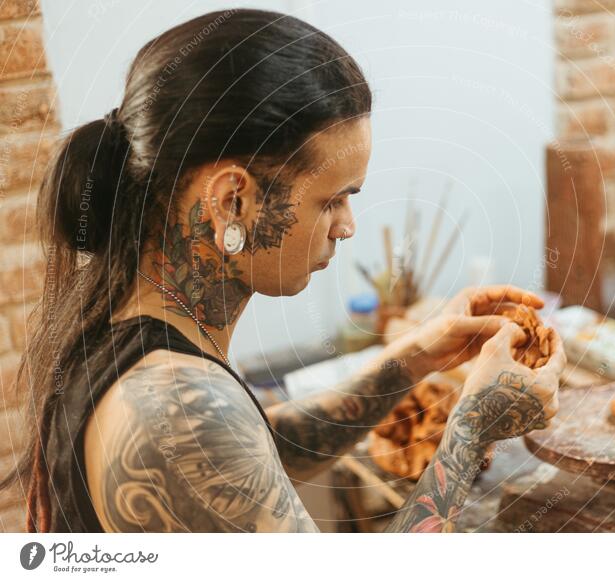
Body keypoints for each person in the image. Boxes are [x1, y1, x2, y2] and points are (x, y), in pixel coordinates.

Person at [4, 9, 564, 533]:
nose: (347, 226)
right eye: (332, 200)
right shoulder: (169, 411)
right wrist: (470, 431)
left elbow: (256, 456)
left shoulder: (142, 332)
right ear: (232, 200)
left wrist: (413, 359)